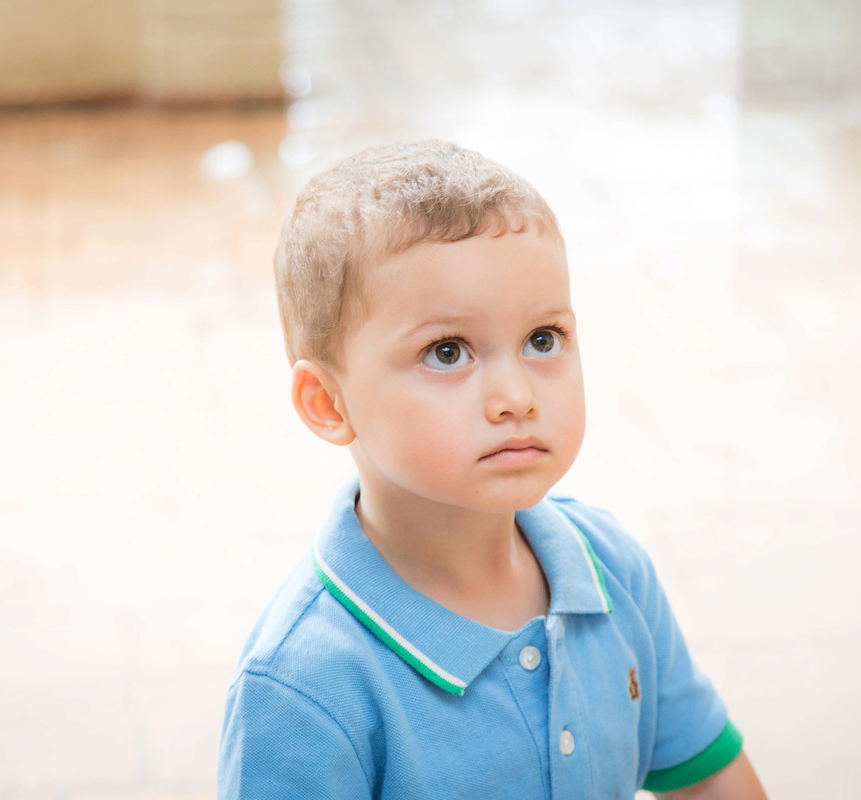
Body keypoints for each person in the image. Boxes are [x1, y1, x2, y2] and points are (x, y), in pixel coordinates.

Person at [217, 140, 767, 799]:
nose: (517, 396)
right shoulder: (303, 688)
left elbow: (709, 779)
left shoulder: (611, 571)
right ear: (328, 403)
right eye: (447, 352)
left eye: (543, 340)